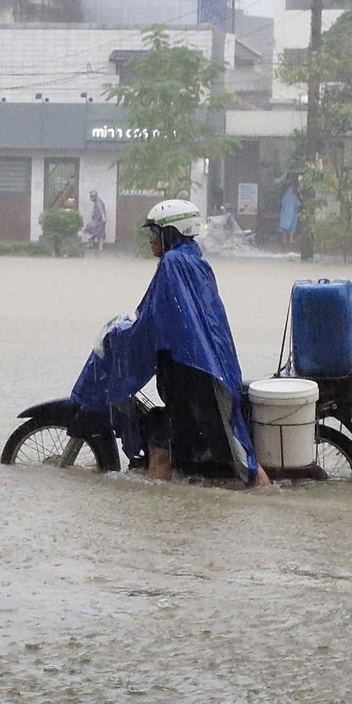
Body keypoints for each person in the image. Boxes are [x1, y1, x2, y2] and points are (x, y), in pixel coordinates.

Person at [70, 198, 270, 487]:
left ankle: (270, 497)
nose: (151, 240)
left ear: (171, 232)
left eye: (155, 233)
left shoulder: (174, 263)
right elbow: (168, 317)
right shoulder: (193, 261)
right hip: (198, 373)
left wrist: (122, 336)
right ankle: (162, 501)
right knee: (162, 434)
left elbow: (157, 319)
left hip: (199, 378)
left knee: (236, 455)